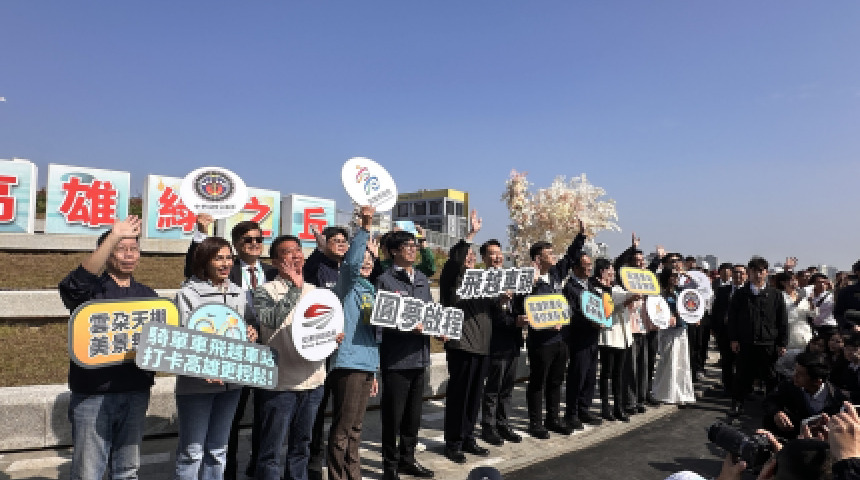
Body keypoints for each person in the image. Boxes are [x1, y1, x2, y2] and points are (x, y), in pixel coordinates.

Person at [58, 216, 157, 480]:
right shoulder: (91, 293)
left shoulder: (148, 296)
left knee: (127, 470)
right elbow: (72, 287)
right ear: (107, 252)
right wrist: (113, 235)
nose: (128, 255)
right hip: (94, 394)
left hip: (136, 391)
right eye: (120, 249)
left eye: (133, 249)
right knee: (88, 472)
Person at [184, 214, 277, 480]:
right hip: (232, 358)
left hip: (267, 354)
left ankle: (258, 469)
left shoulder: (271, 272)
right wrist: (202, 232)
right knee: (227, 426)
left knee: (266, 418)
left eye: (259, 239)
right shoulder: (224, 272)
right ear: (236, 244)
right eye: (248, 240)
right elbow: (194, 268)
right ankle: (229, 474)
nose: (254, 244)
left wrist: (253, 330)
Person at [251, 234, 336, 480]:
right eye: (288, 252)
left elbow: (324, 327)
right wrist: (294, 290)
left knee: (302, 446)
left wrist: (333, 337)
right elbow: (271, 320)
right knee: (271, 450)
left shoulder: (315, 292)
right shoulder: (264, 291)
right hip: (280, 385)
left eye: (298, 250)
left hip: (313, 381)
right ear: (275, 261)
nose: (296, 255)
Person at [174, 236, 257, 480]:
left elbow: (247, 325)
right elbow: (182, 338)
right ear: (204, 261)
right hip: (196, 385)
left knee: (218, 450)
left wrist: (251, 332)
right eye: (218, 258)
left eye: (229, 258)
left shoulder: (239, 293)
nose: (225, 263)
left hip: (232, 383)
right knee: (191, 452)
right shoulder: (187, 294)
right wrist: (203, 368)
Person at [440, 211, 515, 463]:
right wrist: (471, 235)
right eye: (467, 255)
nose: (470, 258)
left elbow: (495, 309)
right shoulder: (452, 279)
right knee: (459, 397)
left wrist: (502, 299)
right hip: (461, 345)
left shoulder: (482, 281)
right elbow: (454, 263)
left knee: (473, 397)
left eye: (473, 255)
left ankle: (468, 437)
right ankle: (453, 443)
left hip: (483, 347)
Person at [326, 206, 381, 480]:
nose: (366, 263)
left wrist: (374, 372)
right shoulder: (345, 287)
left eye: (370, 260)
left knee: (357, 428)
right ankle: (338, 476)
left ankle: (353, 474)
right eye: (363, 259)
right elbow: (350, 265)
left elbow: (373, 335)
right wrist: (365, 228)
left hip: (367, 364)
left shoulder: (372, 291)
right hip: (348, 363)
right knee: (343, 428)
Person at [376, 231, 435, 480]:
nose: (412, 249)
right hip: (396, 360)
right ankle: (390, 466)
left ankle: (407, 460)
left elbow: (431, 312)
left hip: (420, 357)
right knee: (393, 417)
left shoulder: (421, 279)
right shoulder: (385, 281)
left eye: (414, 245)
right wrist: (407, 326)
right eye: (407, 246)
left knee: (413, 416)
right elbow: (381, 322)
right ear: (393, 251)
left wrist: (440, 328)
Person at [524, 221, 586, 438]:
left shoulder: (556, 274)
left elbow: (570, 257)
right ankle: (535, 423)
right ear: (537, 259)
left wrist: (581, 236)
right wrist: (531, 284)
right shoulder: (529, 282)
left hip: (561, 339)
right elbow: (525, 308)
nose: (553, 256)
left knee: (556, 381)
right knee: (538, 382)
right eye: (549, 254)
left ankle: (553, 418)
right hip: (541, 341)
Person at [728, 257, 788, 417]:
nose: (758, 274)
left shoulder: (775, 295)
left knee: (770, 376)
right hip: (745, 341)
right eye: (754, 271)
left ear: (766, 273)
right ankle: (737, 403)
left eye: (761, 271)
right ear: (749, 272)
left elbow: (782, 320)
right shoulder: (741, 294)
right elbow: (732, 318)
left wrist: (782, 343)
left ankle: (772, 407)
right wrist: (734, 339)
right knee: (741, 374)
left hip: (768, 341)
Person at [563, 223, 604, 430]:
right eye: (585, 265)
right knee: (577, 375)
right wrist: (590, 322)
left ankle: (584, 408)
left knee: (589, 375)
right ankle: (571, 413)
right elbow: (572, 314)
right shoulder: (570, 288)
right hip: (579, 338)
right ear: (576, 268)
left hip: (593, 337)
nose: (589, 268)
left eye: (590, 265)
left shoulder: (592, 287)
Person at [762, 351, 849, 437]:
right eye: (795, 370)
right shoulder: (789, 385)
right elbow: (769, 401)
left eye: (800, 374)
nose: (794, 376)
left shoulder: (838, 400)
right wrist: (776, 412)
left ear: (817, 381)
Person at [650, 268, 696, 406]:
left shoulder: (680, 291)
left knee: (682, 362)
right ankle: (664, 393)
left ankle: (681, 393)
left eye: (677, 276)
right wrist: (673, 315)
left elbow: (695, 285)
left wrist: (684, 273)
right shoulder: (661, 293)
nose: (675, 278)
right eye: (673, 276)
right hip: (668, 330)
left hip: (681, 329)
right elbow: (658, 310)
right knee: (668, 362)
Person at [596, 258, 634, 422]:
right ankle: (605, 407)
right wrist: (626, 301)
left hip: (623, 336)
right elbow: (607, 308)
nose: (612, 273)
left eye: (613, 270)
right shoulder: (597, 290)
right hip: (608, 336)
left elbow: (627, 298)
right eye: (609, 270)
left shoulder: (618, 288)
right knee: (606, 373)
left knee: (618, 374)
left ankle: (618, 406)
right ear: (602, 272)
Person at [773, 271, 814, 351]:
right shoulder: (779, 296)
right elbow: (784, 314)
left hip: (805, 332)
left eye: (796, 280)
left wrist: (811, 302)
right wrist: (797, 302)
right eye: (792, 280)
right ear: (783, 283)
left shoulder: (802, 295)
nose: (795, 282)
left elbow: (812, 315)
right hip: (789, 334)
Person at [835, 260, 860, 333]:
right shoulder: (847, 292)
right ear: (857, 272)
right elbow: (838, 314)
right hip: (854, 333)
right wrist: (851, 326)